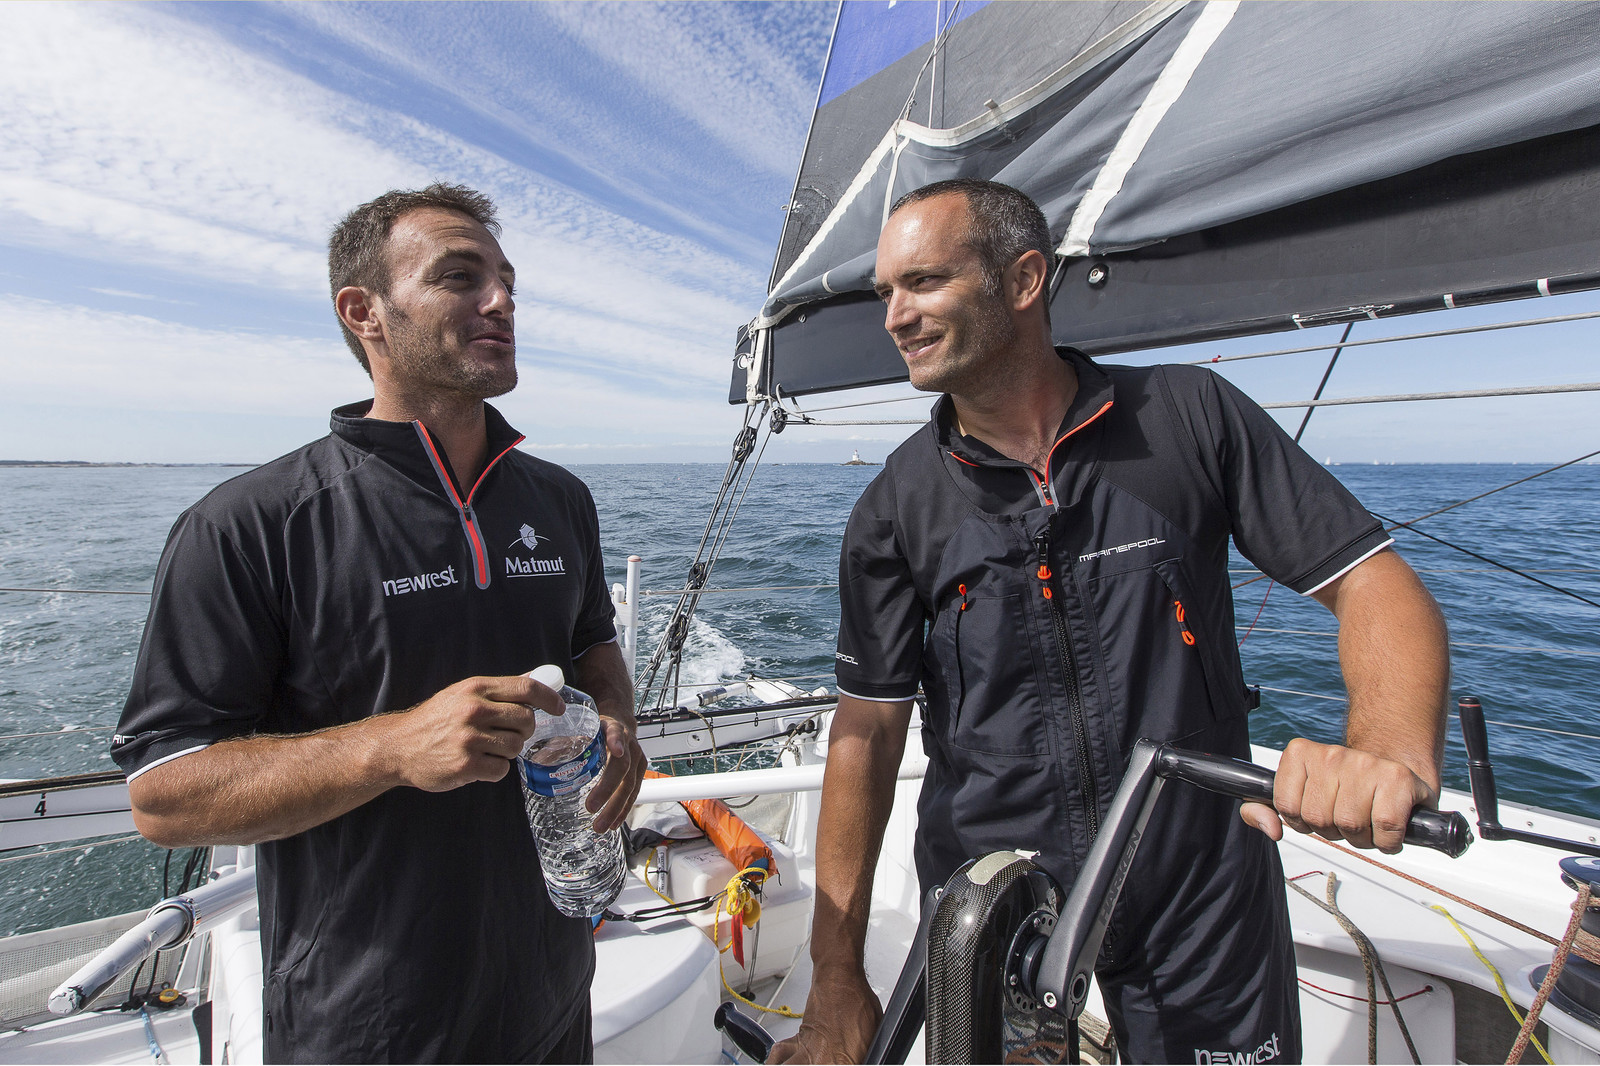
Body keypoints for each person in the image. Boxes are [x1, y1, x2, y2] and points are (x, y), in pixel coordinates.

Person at [770, 179, 1449, 1064]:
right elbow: (866, 730)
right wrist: (835, 976)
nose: (895, 316)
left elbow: (1371, 582)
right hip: (997, 910)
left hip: (1201, 899)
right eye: (886, 292)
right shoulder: (894, 507)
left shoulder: (1190, 418)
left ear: (1023, 280)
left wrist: (1386, 749)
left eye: (925, 282)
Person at [110, 183, 646, 1064]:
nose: (502, 301)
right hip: (369, 1024)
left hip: (552, 993)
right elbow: (163, 793)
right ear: (365, 313)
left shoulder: (561, 500)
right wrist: (391, 748)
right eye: (460, 277)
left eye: (508, 281)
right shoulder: (250, 525)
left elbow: (593, 644)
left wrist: (616, 720)